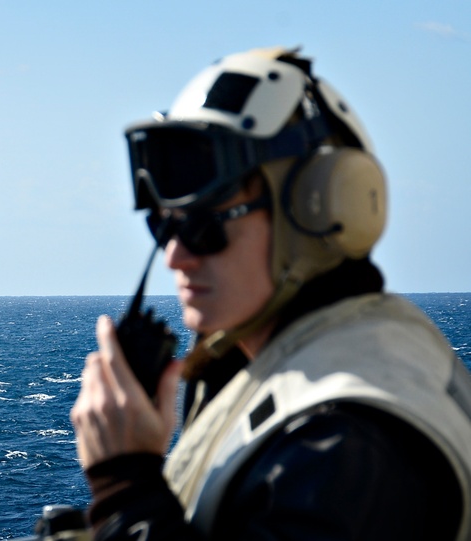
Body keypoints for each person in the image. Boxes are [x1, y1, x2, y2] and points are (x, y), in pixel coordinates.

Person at [70, 47, 471, 540]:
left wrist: (125, 490)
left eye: (204, 225)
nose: (175, 258)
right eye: (164, 226)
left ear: (318, 209)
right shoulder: (317, 360)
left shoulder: (342, 446)